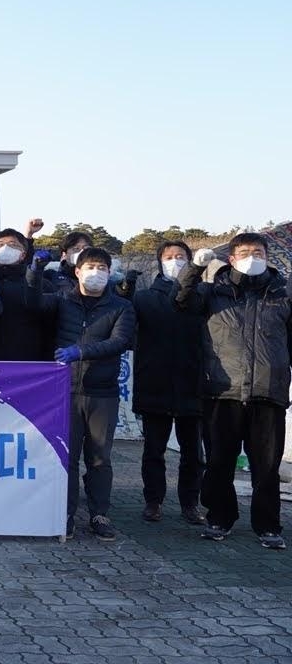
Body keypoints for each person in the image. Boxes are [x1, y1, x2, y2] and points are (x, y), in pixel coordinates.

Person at [174, 234, 292, 549]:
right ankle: (219, 518)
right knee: (219, 461)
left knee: (267, 466)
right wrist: (194, 269)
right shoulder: (213, 293)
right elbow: (181, 300)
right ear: (231, 258)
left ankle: (268, 525)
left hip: (268, 393)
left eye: (258, 252)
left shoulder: (283, 294)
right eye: (245, 252)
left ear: (267, 256)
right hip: (222, 391)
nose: (252, 257)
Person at [27, 246, 136, 540]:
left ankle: (99, 514)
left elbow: (120, 341)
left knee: (99, 458)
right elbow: (33, 304)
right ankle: (65, 514)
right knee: (68, 457)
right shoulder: (63, 299)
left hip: (102, 393)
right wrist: (35, 271)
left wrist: (81, 351)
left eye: (102, 268)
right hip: (65, 392)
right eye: (90, 267)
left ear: (110, 273)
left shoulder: (121, 307)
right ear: (77, 271)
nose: (95, 273)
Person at [131, 241, 206, 525]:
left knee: (193, 453)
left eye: (180, 256)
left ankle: (190, 503)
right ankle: (153, 501)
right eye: (169, 257)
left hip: (192, 382)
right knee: (154, 450)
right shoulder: (144, 298)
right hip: (155, 382)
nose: (175, 261)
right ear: (160, 262)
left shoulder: (202, 295)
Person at [0, 222, 56, 361]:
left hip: (29, 359)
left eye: (13, 245)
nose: (5, 248)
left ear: (23, 254)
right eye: (0, 245)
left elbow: (51, 325)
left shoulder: (42, 284)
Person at [43, 230, 93, 296]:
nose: (82, 252)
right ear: (64, 255)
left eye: (86, 249)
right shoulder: (51, 276)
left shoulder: (99, 276)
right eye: (76, 249)